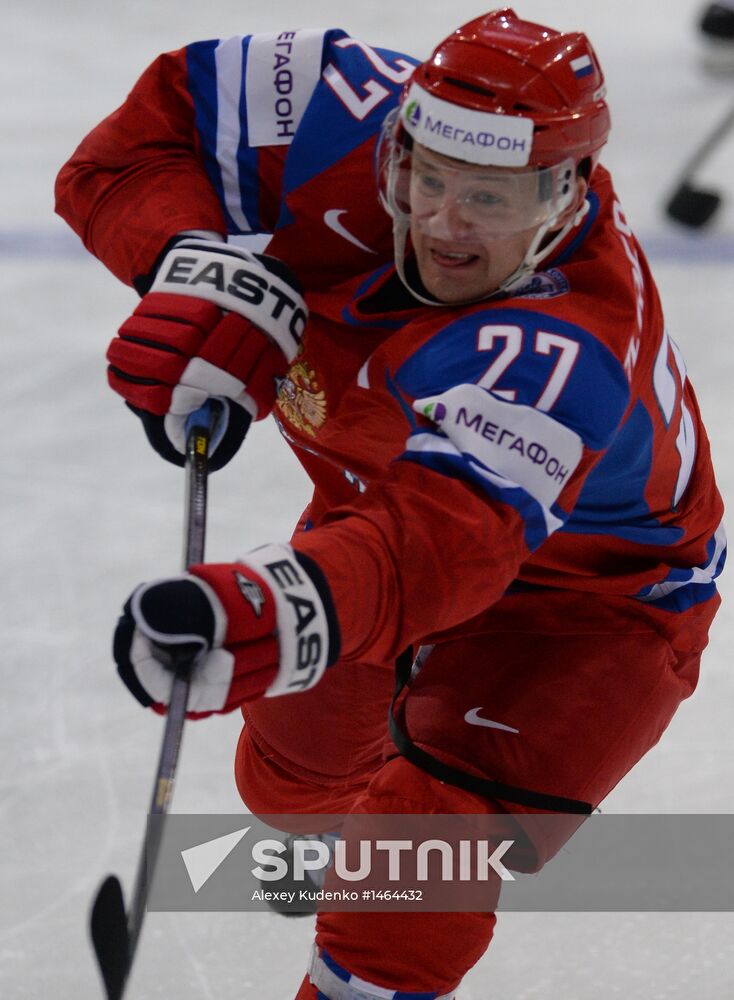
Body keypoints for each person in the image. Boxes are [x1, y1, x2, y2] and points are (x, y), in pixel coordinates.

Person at [56, 9, 725, 998]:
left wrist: (278, 608)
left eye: (492, 199)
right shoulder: (332, 101)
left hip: (593, 606)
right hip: (371, 511)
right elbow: (139, 139)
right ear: (397, 138)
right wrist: (194, 267)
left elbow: (441, 548)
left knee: (413, 855)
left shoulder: (570, 339)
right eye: (426, 176)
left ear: (565, 195)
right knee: (285, 789)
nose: (445, 223)